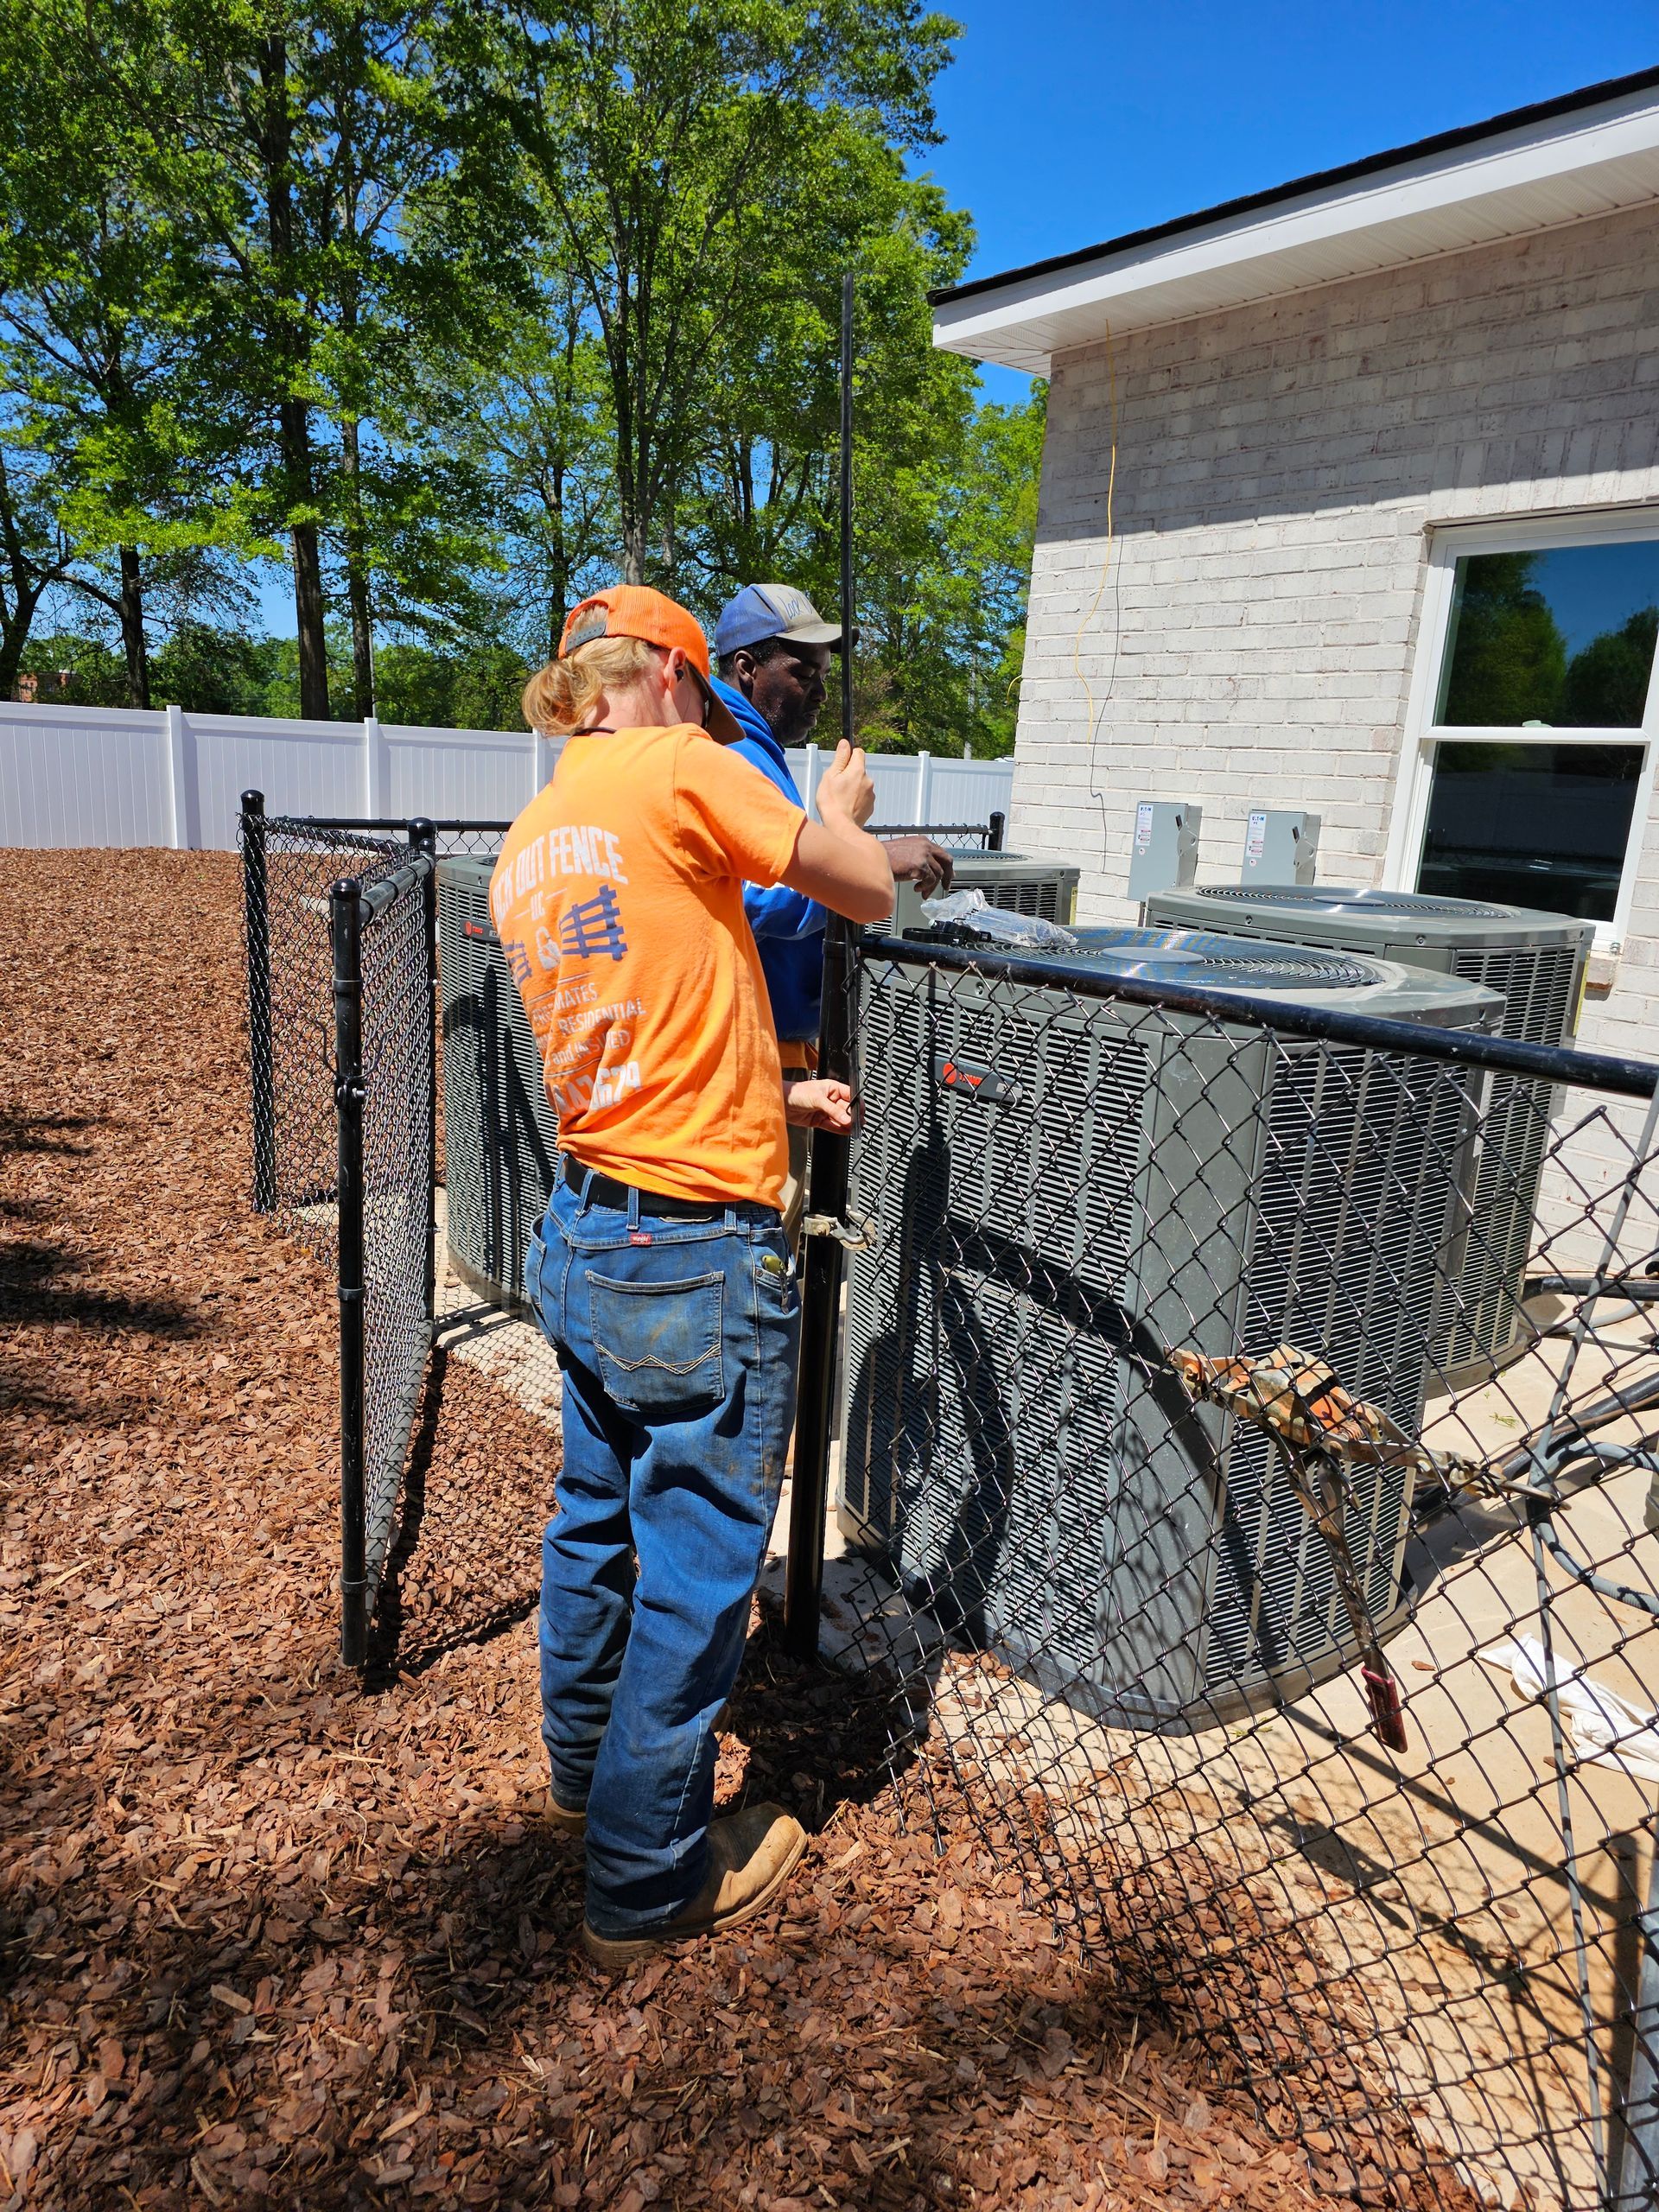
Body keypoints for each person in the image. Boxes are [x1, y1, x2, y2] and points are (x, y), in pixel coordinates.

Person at [491, 585, 893, 1967]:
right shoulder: (684, 764)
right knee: (695, 1572)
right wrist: (835, 801)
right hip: (700, 1256)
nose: (716, 707)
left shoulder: (534, 835)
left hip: (590, 1228)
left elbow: (642, 1027)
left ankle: (578, 1785)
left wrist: (780, 1097)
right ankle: (646, 1878)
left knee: (592, 1522)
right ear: (669, 669)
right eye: (702, 686)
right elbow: (868, 888)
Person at [712, 583, 956, 1238]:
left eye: (824, 675)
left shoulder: (747, 748)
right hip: (755, 1050)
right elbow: (761, 897)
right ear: (746, 667)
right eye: (802, 672)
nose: (820, 691)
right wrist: (863, 850)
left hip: (762, 1050)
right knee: (761, 1247)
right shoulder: (736, 754)